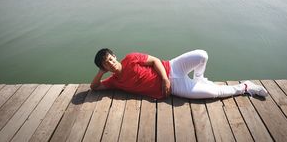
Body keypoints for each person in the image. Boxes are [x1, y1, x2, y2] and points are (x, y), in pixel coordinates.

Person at [90, 48, 268, 99]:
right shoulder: (114, 81)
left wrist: (165, 79)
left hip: (171, 67)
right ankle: (246, 87)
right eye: (106, 64)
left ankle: (200, 78)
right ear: (104, 68)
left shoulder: (131, 58)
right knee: (215, 93)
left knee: (202, 55)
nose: (111, 64)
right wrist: (100, 72)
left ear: (115, 56)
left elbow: (155, 61)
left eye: (110, 59)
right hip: (176, 88)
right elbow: (94, 87)